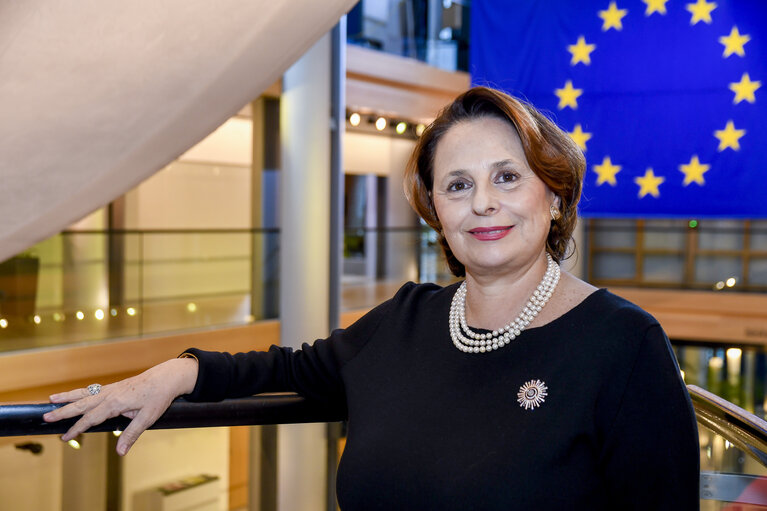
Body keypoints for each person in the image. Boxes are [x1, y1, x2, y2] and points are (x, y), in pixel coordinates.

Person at [44, 86, 700, 509]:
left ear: (554, 195)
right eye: (457, 185)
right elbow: (283, 368)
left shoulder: (622, 345)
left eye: (507, 176)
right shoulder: (405, 320)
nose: (483, 203)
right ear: (435, 211)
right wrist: (176, 370)